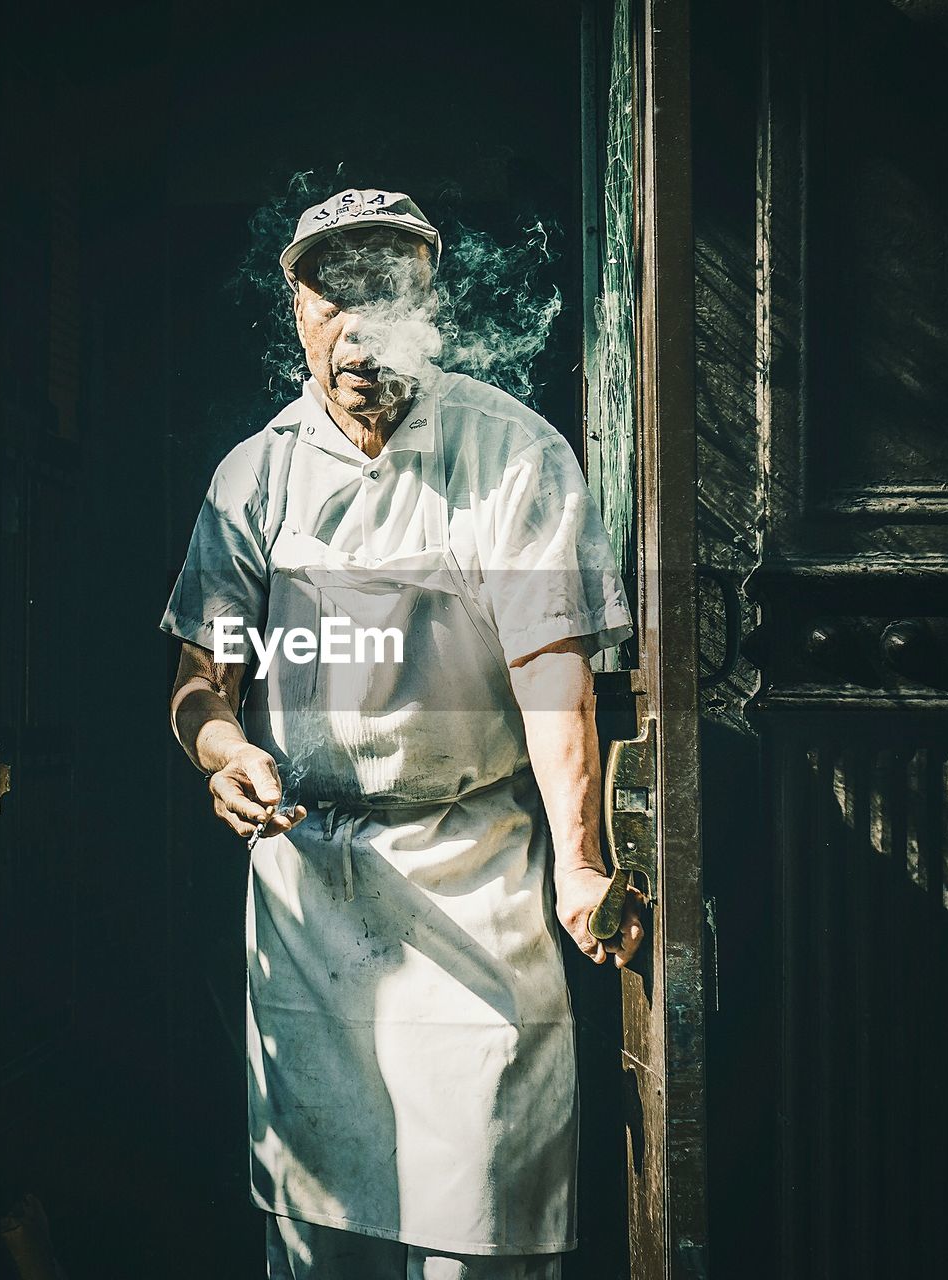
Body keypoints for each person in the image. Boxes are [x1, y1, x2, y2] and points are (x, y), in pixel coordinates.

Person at [161, 188, 644, 1280]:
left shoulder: (511, 452)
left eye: (386, 286)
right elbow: (203, 678)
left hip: (472, 868)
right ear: (296, 312)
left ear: (428, 297)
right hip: (309, 896)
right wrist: (222, 751)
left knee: (481, 1226)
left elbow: (548, 667)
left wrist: (575, 859)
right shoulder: (256, 474)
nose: (358, 319)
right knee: (318, 1237)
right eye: (332, 292)